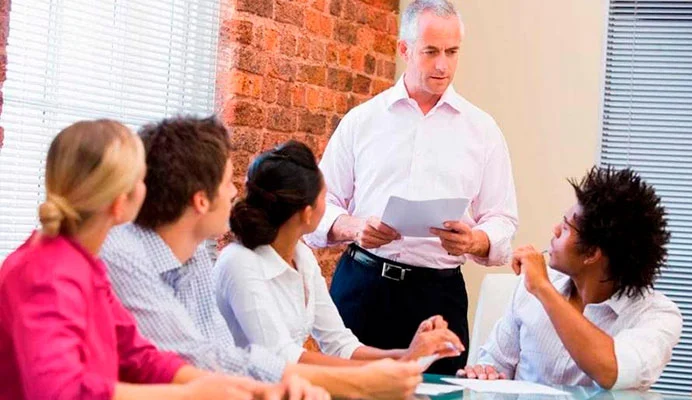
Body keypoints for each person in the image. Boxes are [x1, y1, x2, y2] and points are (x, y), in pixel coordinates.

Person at [100, 115, 423, 399]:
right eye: (227, 182)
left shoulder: (195, 256)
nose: (233, 193)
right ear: (200, 201)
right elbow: (195, 360)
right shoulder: (124, 259)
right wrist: (357, 383)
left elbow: (224, 355)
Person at [0, 120, 296, 400]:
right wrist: (186, 395)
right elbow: (62, 392)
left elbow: (138, 354)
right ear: (120, 204)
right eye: (141, 178)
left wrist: (225, 384)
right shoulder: (46, 274)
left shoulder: (82, 263)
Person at [304, 0, 518, 374]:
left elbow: (502, 220)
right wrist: (357, 228)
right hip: (363, 288)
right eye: (431, 51)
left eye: (452, 52)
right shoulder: (363, 121)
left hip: (439, 298)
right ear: (404, 50)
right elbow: (320, 205)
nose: (443, 65)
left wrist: (475, 240)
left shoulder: (483, 131)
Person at [215, 140, 464, 367]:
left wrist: (408, 354)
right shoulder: (239, 262)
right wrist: (392, 369)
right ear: (307, 212)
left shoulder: (302, 257)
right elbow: (283, 359)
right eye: (325, 197)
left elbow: (340, 344)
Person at [460, 167, 683, 390]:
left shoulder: (657, 316)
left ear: (591, 254)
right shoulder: (528, 289)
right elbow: (494, 364)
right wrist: (485, 374)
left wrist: (543, 289)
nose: (555, 230)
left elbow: (612, 371)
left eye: (566, 228)